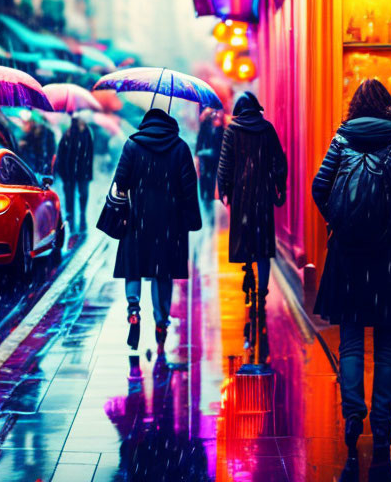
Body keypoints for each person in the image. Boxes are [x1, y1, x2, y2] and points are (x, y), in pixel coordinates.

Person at [311, 79, 391, 480]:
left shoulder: (343, 139)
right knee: (387, 346)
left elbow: (318, 187)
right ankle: (381, 428)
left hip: (348, 252)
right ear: (388, 106)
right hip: (388, 253)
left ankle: (352, 416)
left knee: (352, 339)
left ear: (356, 106)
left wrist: (337, 221)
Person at [111, 108, 201, 352]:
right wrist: (192, 219)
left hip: (137, 219)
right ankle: (161, 321)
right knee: (163, 272)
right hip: (169, 224)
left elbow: (120, 183)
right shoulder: (180, 148)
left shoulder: (132, 145)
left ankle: (133, 307)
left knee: (134, 267)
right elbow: (189, 189)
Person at [216, 92, 287, 364]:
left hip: (242, 197)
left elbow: (225, 164)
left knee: (245, 241)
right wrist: (278, 187)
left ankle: (248, 278)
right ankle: (263, 292)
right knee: (264, 248)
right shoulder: (267, 129)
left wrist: (225, 190)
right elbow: (279, 163)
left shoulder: (232, 131)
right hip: (263, 197)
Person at [56, 115, 94, 232]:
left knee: (83, 193)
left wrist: (89, 172)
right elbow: (61, 153)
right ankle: (70, 215)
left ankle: (82, 213)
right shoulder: (69, 133)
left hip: (83, 171)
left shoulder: (87, 134)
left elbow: (90, 154)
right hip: (69, 171)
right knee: (69, 194)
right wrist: (62, 172)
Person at [195, 107, 224, 209]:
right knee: (204, 178)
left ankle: (210, 198)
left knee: (212, 178)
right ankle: (205, 198)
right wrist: (198, 155)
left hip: (215, 158)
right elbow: (199, 142)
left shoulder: (219, 129)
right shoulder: (205, 127)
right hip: (207, 158)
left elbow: (219, 146)